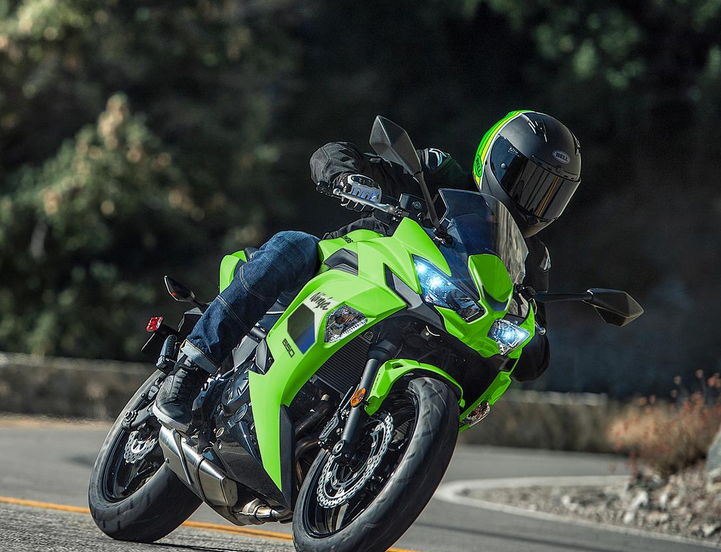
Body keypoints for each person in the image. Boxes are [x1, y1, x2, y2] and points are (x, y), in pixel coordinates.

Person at [152, 111, 582, 432]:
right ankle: (189, 372)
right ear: (495, 158)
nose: (533, 201)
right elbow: (333, 155)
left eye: (550, 193)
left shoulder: (531, 259)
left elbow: (533, 346)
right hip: (356, 269)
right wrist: (347, 176)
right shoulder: (438, 175)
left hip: (433, 320)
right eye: (526, 180)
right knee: (293, 245)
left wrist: (532, 339)